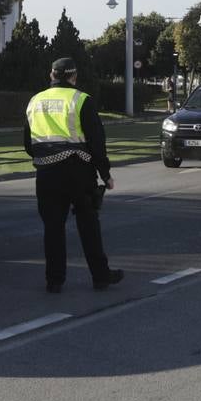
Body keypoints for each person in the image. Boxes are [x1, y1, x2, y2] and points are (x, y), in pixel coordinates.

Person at [24, 57, 124, 293]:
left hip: (46, 173)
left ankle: (54, 280)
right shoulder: (81, 100)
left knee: (53, 227)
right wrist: (105, 173)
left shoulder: (34, 101)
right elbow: (97, 142)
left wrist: (45, 157)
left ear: (52, 75)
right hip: (78, 171)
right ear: (74, 76)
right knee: (88, 223)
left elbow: (28, 144)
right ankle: (100, 276)